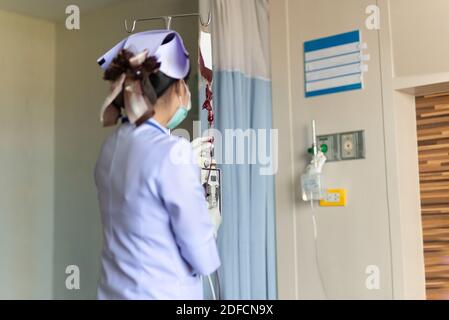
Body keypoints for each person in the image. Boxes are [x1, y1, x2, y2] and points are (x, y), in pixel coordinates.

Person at [94, 30, 220, 300]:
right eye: (184, 84)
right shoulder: (173, 152)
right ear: (176, 88)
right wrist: (209, 223)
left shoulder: (111, 147)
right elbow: (202, 257)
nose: (185, 93)